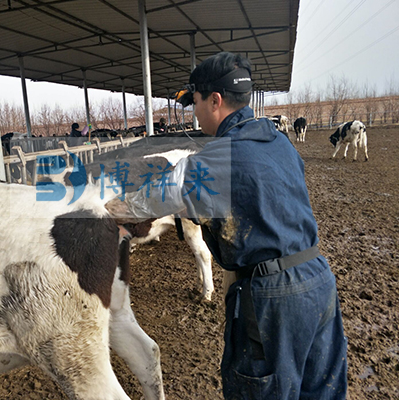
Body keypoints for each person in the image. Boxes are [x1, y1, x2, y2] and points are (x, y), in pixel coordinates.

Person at [106, 52, 348, 399]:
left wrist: (117, 209)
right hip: (318, 280)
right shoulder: (277, 140)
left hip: (271, 295)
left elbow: (161, 194)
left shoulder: (220, 155)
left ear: (215, 101)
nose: (194, 111)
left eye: (196, 102)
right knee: (320, 391)